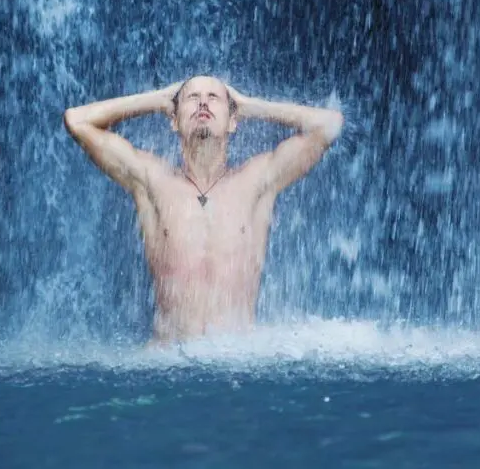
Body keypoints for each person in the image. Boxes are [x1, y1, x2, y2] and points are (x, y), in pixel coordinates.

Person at [63, 75, 344, 344]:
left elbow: (330, 125)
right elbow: (77, 121)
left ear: (233, 121)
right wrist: (158, 99)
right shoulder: (151, 180)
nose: (203, 103)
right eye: (192, 97)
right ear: (173, 120)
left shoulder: (258, 180)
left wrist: (248, 106)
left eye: (214, 97)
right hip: (168, 361)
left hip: (235, 363)